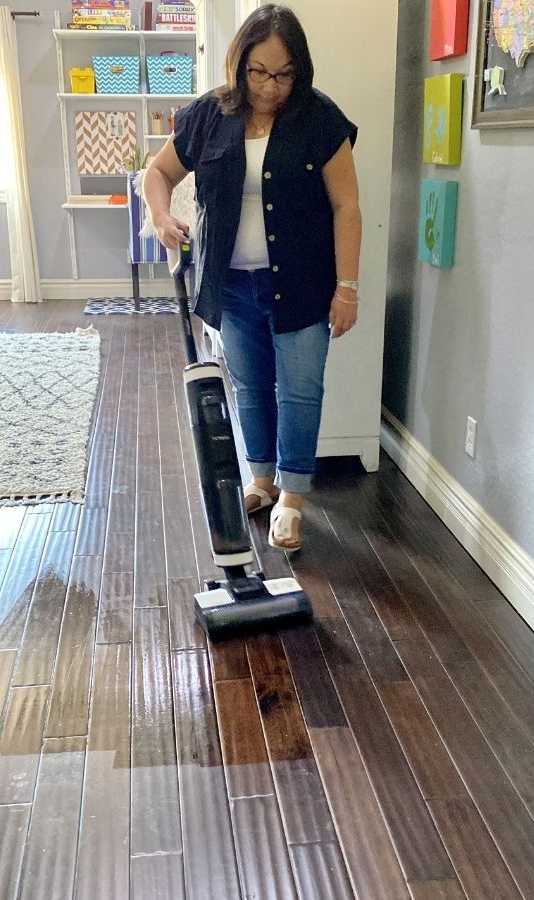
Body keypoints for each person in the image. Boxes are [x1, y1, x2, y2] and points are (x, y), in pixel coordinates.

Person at [144, 4, 361, 552]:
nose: (271, 86)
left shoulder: (320, 119)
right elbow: (159, 172)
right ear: (239, 64)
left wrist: (348, 287)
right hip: (232, 286)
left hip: (305, 284)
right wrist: (162, 214)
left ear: (300, 70)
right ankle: (260, 479)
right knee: (249, 388)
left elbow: (347, 206)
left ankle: (292, 495)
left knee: (300, 391)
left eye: (284, 74)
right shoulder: (207, 115)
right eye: (259, 71)